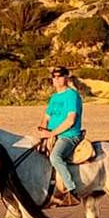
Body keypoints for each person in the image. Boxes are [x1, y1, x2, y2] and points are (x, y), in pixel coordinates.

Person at [36, 65, 84, 205]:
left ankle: (71, 190)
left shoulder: (72, 96)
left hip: (69, 135)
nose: (56, 79)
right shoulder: (54, 97)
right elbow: (46, 118)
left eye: (59, 76)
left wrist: (51, 133)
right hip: (52, 135)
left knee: (55, 157)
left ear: (66, 77)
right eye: (54, 77)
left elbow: (70, 120)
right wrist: (43, 132)